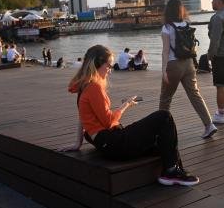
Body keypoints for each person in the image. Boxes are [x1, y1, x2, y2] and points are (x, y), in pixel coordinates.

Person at [61, 45, 199, 186]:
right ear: (97, 64)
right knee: (164, 117)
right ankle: (170, 172)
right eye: (108, 66)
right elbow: (108, 121)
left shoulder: (84, 85)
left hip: (107, 143)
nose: (109, 71)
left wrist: (78, 143)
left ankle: (173, 169)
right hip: (112, 142)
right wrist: (125, 105)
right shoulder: (94, 87)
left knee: (162, 143)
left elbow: (82, 115)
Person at [160, 0, 217, 139]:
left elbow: (166, 51)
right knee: (195, 94)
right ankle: (209, 125)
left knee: (165, 99)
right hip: (189, 64)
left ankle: (160, 132)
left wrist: (163, 70)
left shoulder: (167, 27)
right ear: (181, 10)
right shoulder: (186, 24)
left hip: (173, 65)